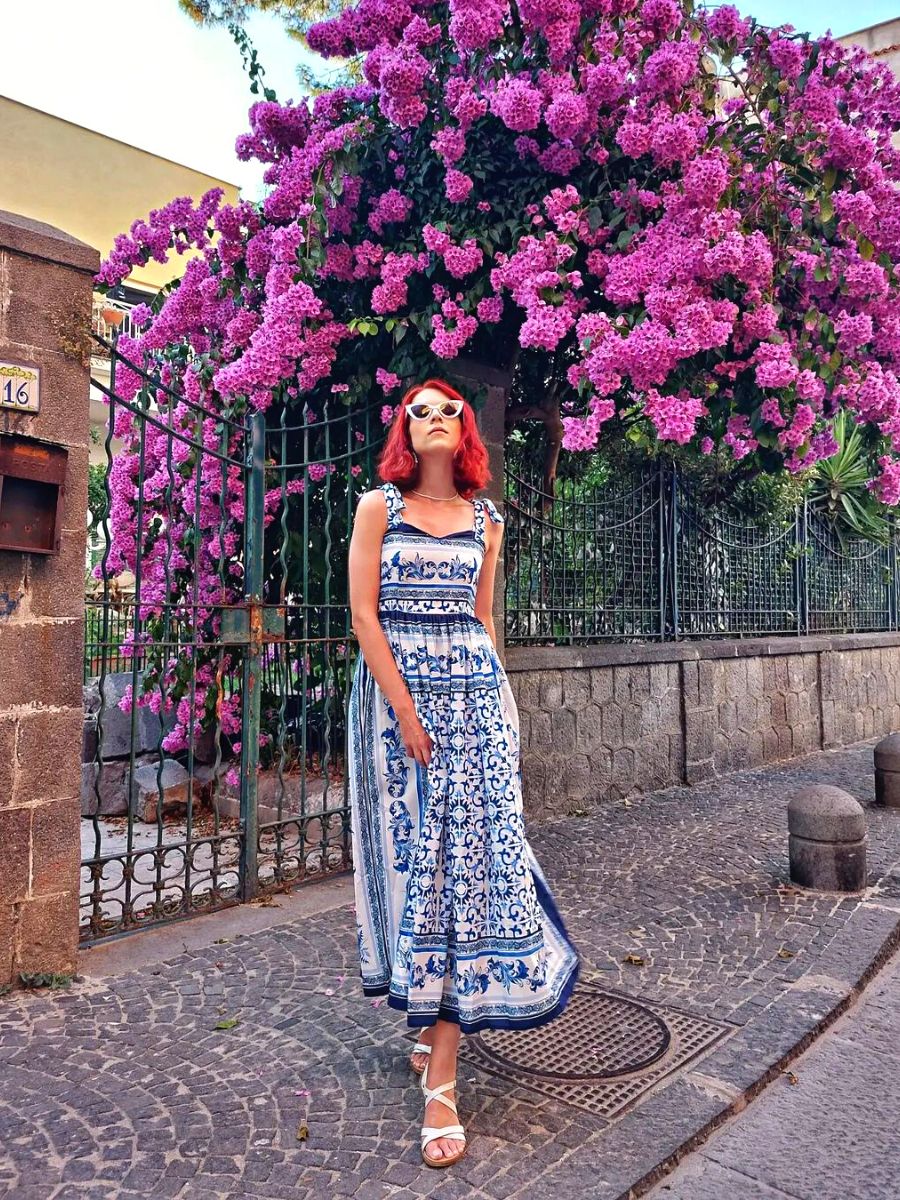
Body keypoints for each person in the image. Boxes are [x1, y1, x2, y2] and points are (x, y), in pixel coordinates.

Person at [346, 378, 580, 1168]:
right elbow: (364, 616)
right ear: (404, 430)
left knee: (470, 868)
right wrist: (408, 711)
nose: (435, 419)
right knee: (417, 864)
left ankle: (442, 1075)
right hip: (396, 710)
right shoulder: (377, 508)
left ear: (465, 429)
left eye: (449, 410)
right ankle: (424, 1013)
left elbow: (482, 620)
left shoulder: (488, 521)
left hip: (476, 700)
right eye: (420, 411)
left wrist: (500, 704)